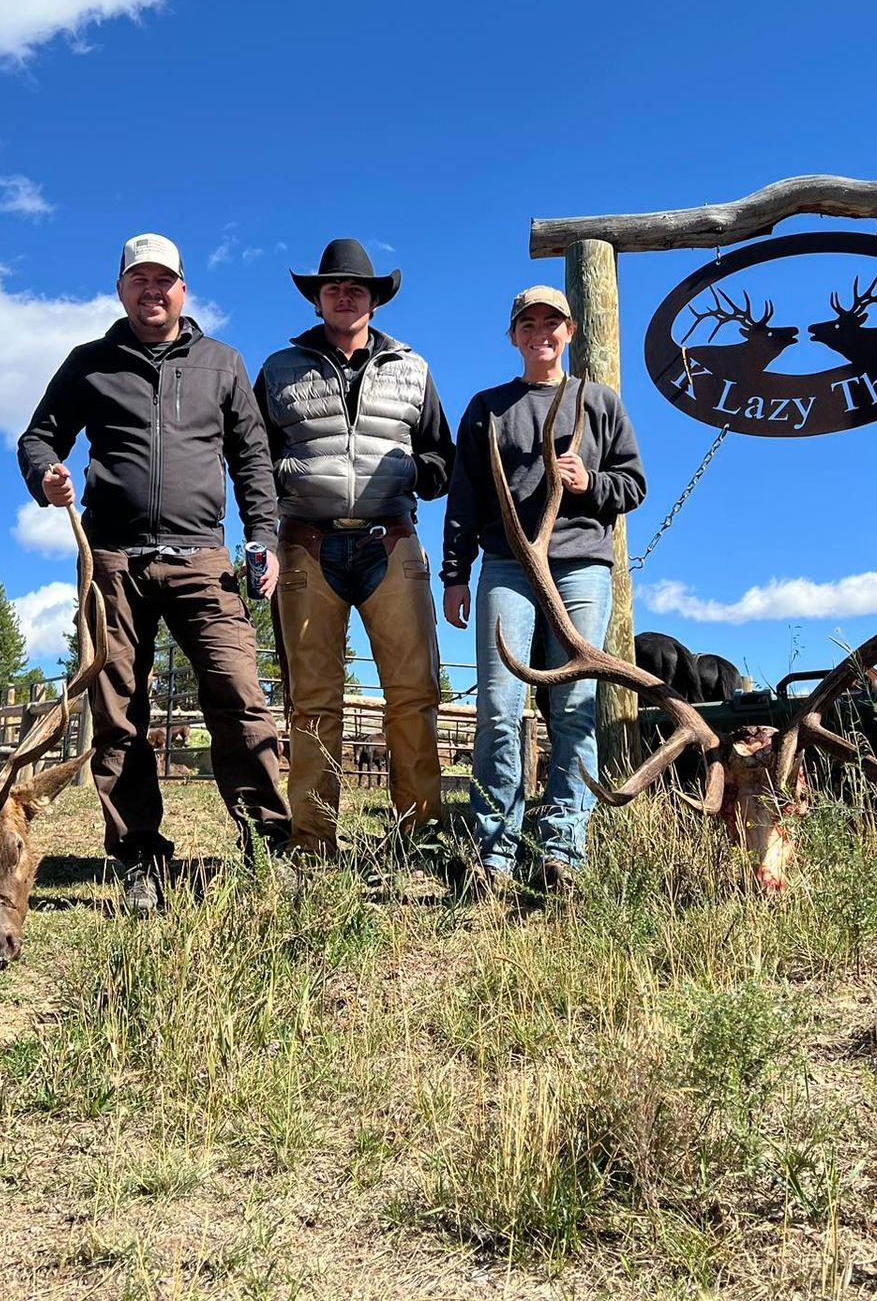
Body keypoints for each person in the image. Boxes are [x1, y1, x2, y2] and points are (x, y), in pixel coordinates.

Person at [17, 232, 293, 913]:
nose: (152, 291)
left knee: (239, 695)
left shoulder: (222, 363)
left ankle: (269, 847)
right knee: (117, 714)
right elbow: (38, 435)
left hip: (202, 556)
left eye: (163, 280)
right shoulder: (90, 363)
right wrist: (43, 476)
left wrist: (263, 536)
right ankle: (140, 856)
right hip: (111, 561)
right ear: (121, 291)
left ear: (183, 289)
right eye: (138, 280)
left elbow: (252, 458)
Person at [254, 239, 455, 856]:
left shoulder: (413, 370)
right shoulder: (279, 369)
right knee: (311, 700)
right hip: (305, 548)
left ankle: (418, 836)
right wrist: (262, 537)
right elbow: (252, 460)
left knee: (413, 693)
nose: (345, 295)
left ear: (374, 298)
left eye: (356, 288)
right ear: (317, 298)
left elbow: (442, 458)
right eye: (333, 287)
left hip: (391, 543)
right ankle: (313, 840)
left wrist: (419, 469)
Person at [442, 285, 645, 894]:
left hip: (581, 565)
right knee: (500, 708)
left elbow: (632, 484)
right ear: (513, 336)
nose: (541, 333)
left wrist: (591, 483)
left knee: (575, 706)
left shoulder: (599, 402)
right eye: (528, 324)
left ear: (571, 330)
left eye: (551, 323)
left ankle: (563, 850)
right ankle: (492, 853)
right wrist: (456, 574)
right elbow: (464, 496)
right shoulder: (489, 407)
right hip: (507, 565)